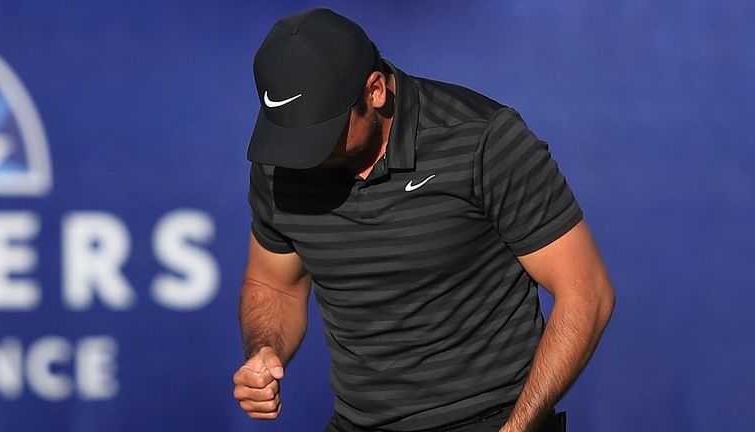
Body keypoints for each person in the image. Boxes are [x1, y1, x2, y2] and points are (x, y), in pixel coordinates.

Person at [233, 8, 615, 432]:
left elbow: (586, 293)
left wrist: (518, 428)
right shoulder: (282, 161)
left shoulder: (481, 139)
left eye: (321, 131)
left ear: (375, 91)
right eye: (293, 135)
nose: (305, 153)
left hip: (494, 420)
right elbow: (273, 284)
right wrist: (265, 349)